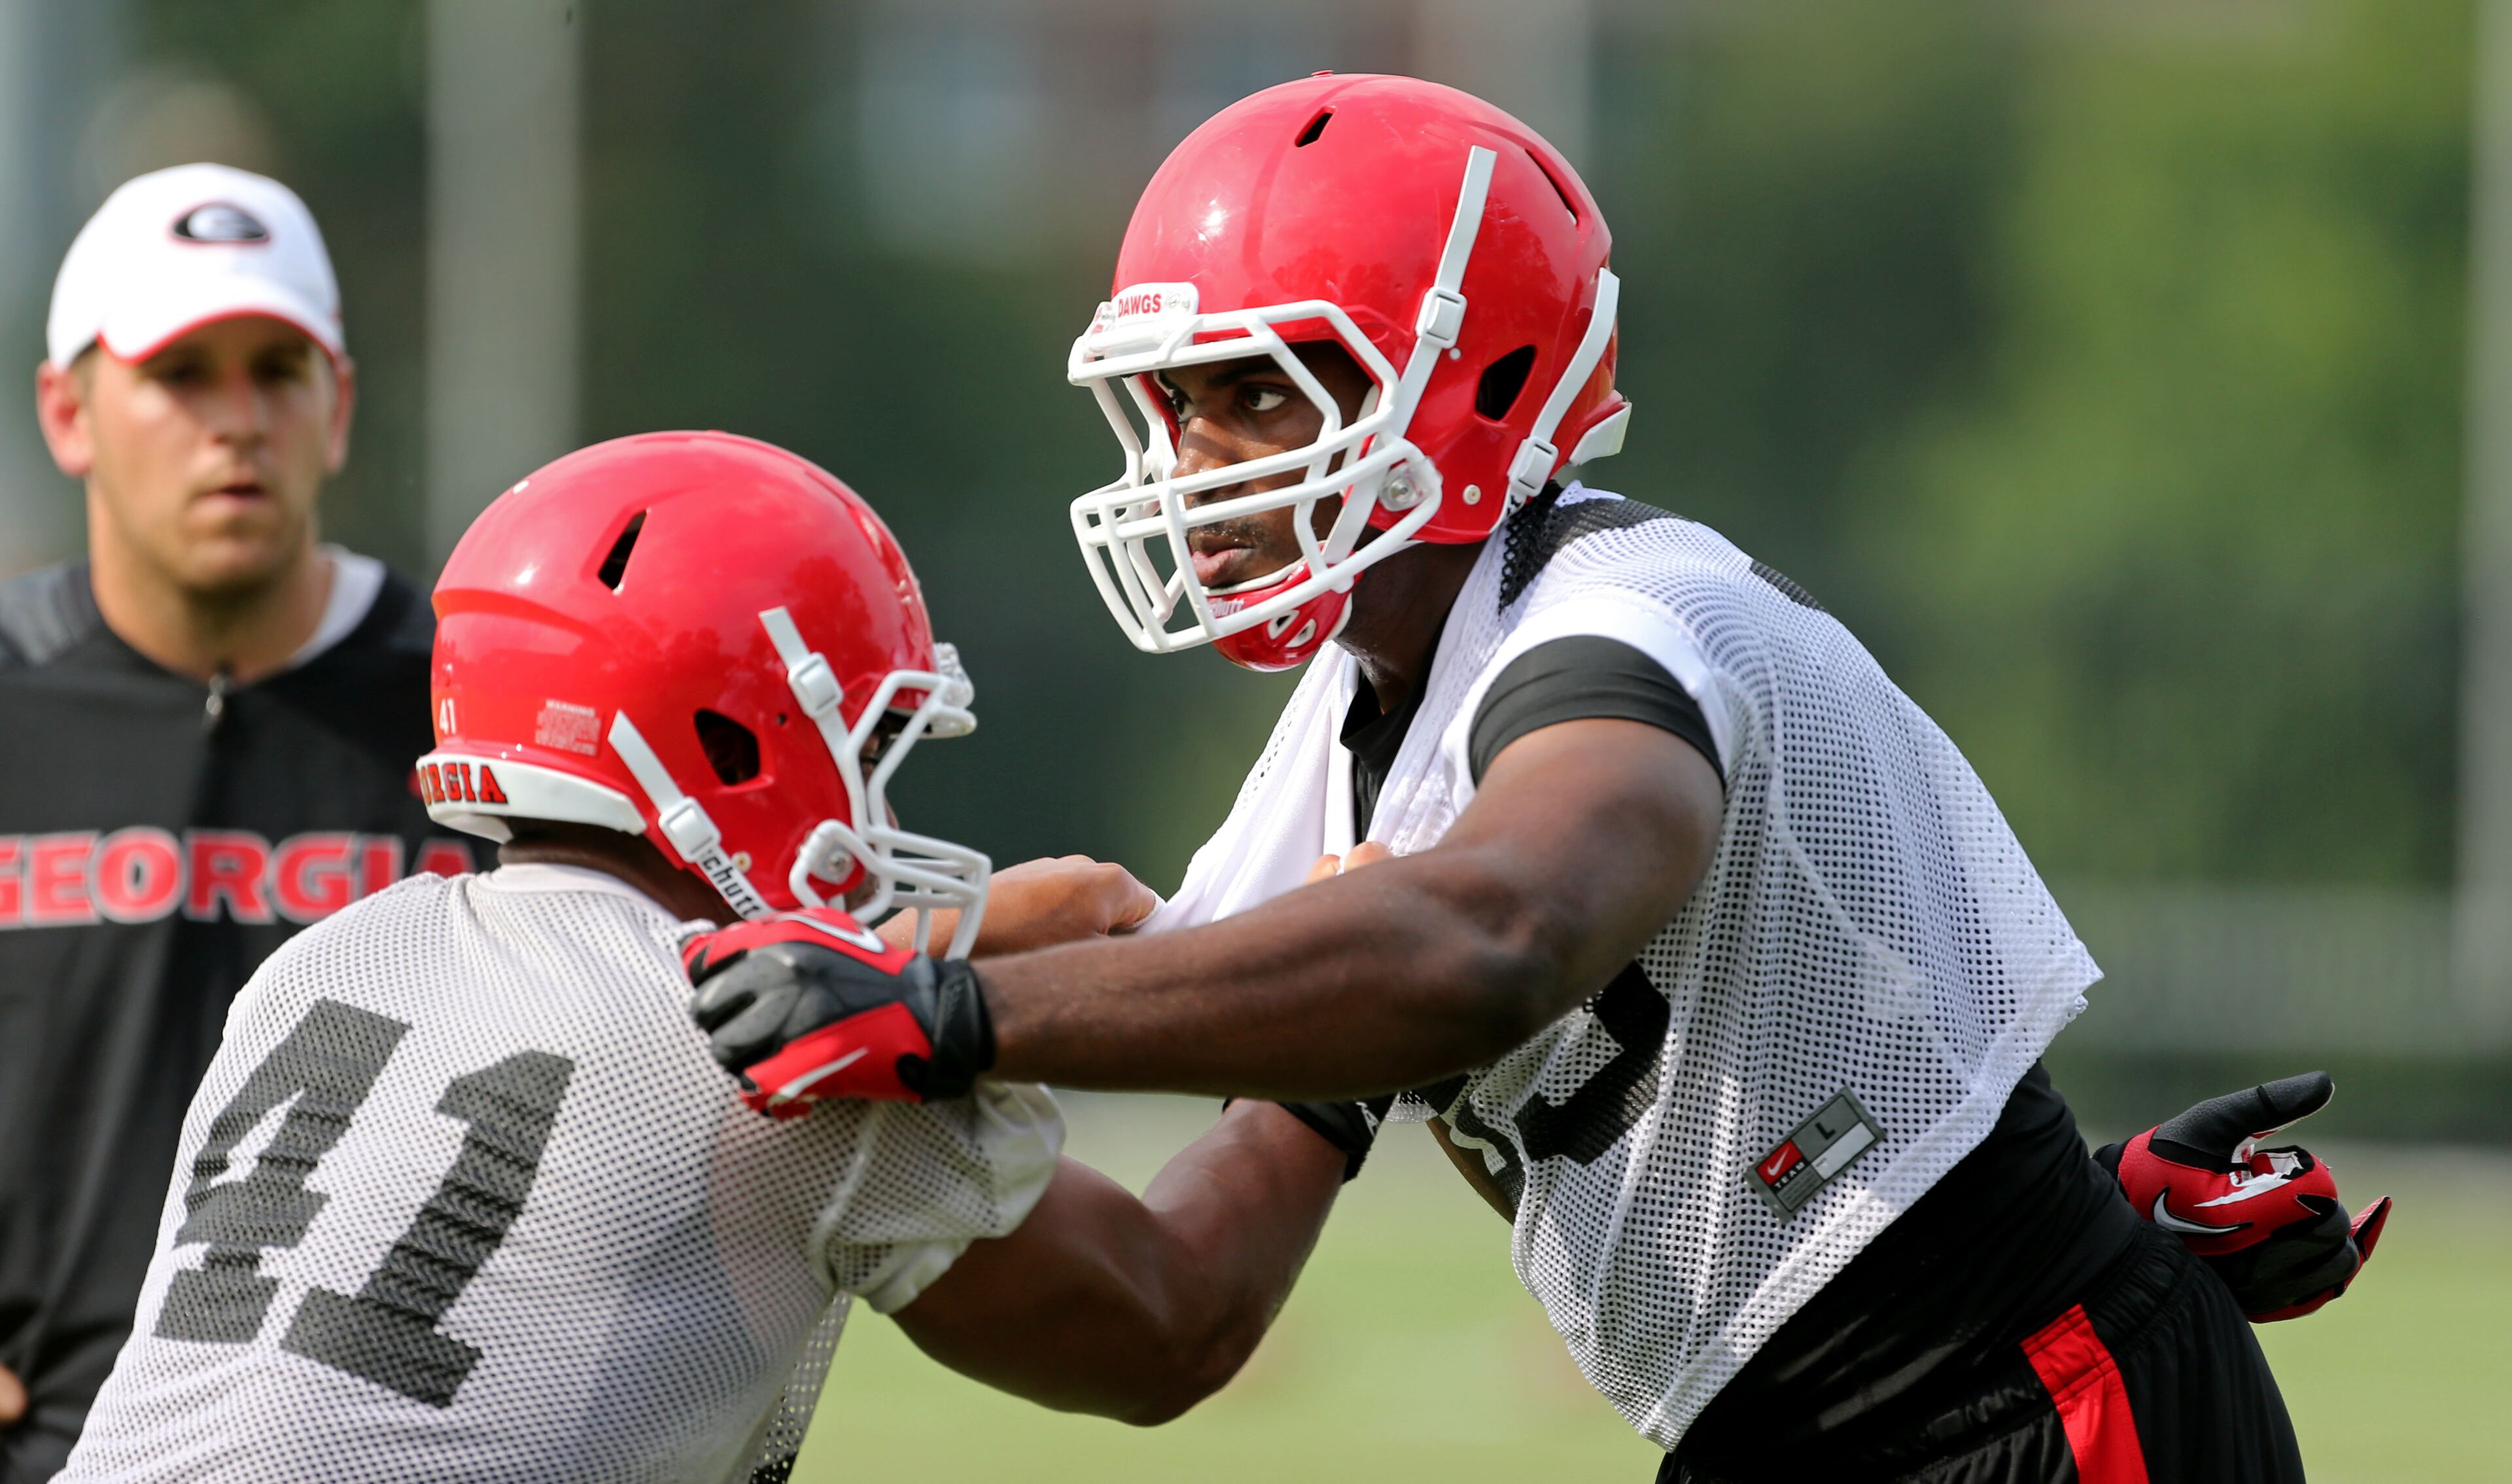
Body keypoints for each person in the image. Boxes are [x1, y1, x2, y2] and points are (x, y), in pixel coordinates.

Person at [682, 77, 2388, 1482]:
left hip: (2016, 1414)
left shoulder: (1627, 622)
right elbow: (1178, 1309)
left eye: (1255, 397)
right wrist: (883, 1181)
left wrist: (963, 1013)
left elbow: (1502, 929)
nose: (1192, 461)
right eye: (1175, 401)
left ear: (1475, 377)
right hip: (1802, 1432)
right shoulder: (1359, 730)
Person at [54, 431, 1350, 1483]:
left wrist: (975, 928)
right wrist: (1338, 1019)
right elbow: (1167, 1322)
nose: (878, 813)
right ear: (732, 746)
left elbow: (621, 1015)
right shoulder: (790, 1066)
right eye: (864, 752)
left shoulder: (329, 962)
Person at [0, 163, 476, 1481]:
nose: (237, 421)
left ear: (339, 407)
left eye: (277, 368)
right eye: (181, 373)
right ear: (68, 410)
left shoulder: (481, 710)